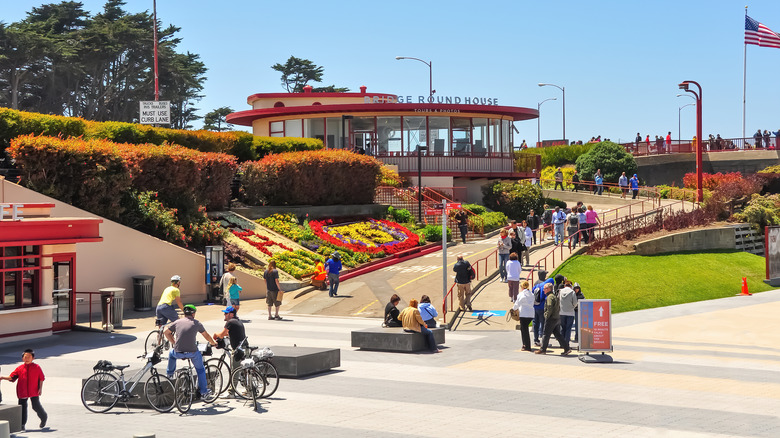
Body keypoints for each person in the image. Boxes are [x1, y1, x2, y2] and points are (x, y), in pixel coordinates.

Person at [164, 304, 217, 399]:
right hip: (192, 352)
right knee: (200, 370)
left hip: (178, 352)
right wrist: (213, 343)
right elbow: (206, 335)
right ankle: (204, 392)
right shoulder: (196, 323)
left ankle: (170, 374)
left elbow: (166, 332)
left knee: (171, 354)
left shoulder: (177, 322)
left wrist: (173, 342)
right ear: (193, 313)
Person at [1, 349, 47, 430]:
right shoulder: (20, 368)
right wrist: (2, 377)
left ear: (33, 358)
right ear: (22, 358)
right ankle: (22, 425)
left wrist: (40, 388)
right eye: (25, 356)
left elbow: (41, 378)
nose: (27, 358)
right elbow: (12, 377)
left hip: (34, 390)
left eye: (29, 356)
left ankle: (43, 417)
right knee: (22, 408)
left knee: (35, 406)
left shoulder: (37, 367)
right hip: (22, 391)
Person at [212, 306, 246, 397]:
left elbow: (222, 335)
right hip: (245, 347)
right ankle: (249, 389)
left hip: (238, 349)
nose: (224, 314)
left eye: (226, 313)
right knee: (245, 369)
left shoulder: (230, 322)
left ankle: (231, 392)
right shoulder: (238, 321)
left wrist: (215, 335)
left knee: (234, 370)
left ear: (231, 314)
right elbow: (229, 333)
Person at [535, 282, 571, 355]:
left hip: (551, 318)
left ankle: (543, 349)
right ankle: (566, 348)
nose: (543, 290)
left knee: (545, 334)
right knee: (557, 334)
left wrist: (546, 315)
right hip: (556, 317)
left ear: (548, 289)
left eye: (544, 289)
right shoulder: (554, 296)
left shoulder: (550, 297)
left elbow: (549, 307)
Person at [512, 280, 535, 352]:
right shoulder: (531, 294)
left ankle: (526, 345)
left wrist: (513, 309)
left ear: (522, 287)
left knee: (524, 330)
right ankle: (525, 344)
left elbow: (516, 304)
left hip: (523, 313)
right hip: (531, 313)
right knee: (524, 329)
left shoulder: (520, 294)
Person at [532, 271, 553, 346]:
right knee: (544, 324)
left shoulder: (536, 284)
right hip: (542, 307)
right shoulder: (545, 285)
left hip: (535, 307)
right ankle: (544, 342)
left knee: (535, 324)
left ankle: (536, 340)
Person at [559, 281, 577, 347]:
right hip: (570, 312)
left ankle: (561, 343)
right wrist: (572, 307)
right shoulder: (572, 292)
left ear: (564, 285)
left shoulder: (560, 292)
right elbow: (575, 302)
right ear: (571, 286)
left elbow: (558, 300)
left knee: (562, 328)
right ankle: (566, 344)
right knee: (568, 329)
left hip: (561, 312)